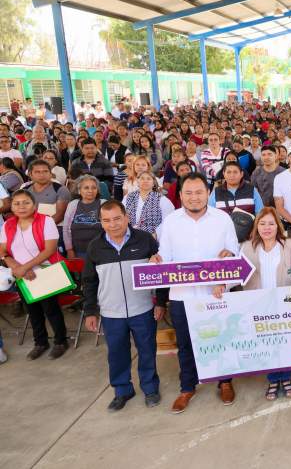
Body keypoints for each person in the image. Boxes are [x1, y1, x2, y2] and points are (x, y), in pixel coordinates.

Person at [151, 172, 240, 413]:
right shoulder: (170, 222)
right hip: (182, 295)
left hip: (215, 294)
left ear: (208, 193)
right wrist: (158, 260)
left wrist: (229, 259)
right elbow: (165, 256)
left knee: (220, 339)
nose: (194, 197)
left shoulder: (222, 220)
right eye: (188, 193)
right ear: (180, 195)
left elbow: (233, 253)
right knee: (186, 343)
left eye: (199, 192)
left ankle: (224, 382)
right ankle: (187, 386)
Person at [82, 200, 167, 412]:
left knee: (147, 350)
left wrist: (161, 302)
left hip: (143, 309)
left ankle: (150, 388)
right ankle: (122, 390)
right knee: (117, 354)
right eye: (107, 220)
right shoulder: (95, 247)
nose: (113, 224)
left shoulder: (145, 240)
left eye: (117, 218)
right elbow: (89, 281)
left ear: (127, 217)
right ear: (101, 223)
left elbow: (161, 272)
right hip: (111, 312)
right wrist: (91, 311)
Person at [240, 207, 291, 401]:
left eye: (271, 223)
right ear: (257, 226)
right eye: (262, 224)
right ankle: (273, 379)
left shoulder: (288, 245)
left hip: (284, 302)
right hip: (259, 304)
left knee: (284, 341)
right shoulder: (247, 247)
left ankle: (286, 377)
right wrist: (222, 285)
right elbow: (237, 274)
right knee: (267, 342)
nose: (267, 227)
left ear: (277, 226)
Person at [0, 190, 67, 360]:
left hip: (44, 271)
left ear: (34, 205)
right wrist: (16, 266)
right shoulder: (8, 225)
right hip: (21, 275)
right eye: (16, 203)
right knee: (32, 310)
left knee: (51, 309)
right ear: (12, 206)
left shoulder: (46, 221)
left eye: (26, 202)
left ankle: (60, 341)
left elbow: (50, 249)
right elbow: (3, 251)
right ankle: (40, 343)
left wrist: (26, 267)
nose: (21, 206)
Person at [63, 175, 105, 259]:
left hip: (100, 251)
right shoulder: (73, 204)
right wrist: (69, 250)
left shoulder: (103, 204)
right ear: (79, 190)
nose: (90, 191)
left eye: (94, 188)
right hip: (78, 251)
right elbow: (66, 229)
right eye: (86, 188)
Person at [123, 171, 174, 236]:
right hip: (130, 235)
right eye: (142, 178)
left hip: (152, 237)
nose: (145, 181)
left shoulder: (162, 200)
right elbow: (122, 215)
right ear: (138, 182)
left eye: (148, 179)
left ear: (153, 183)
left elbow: (168, 221)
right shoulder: (128, 197)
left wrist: (156, 234)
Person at [24, 159, 71, 225]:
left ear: (51, 174)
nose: (42, 175)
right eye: (37, 172)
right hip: (29, 227)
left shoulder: (61, 189)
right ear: (30, 175)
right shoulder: (25, 190)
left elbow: (59, 215)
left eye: (45, 171)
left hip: (54, 228)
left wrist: (40, 228)